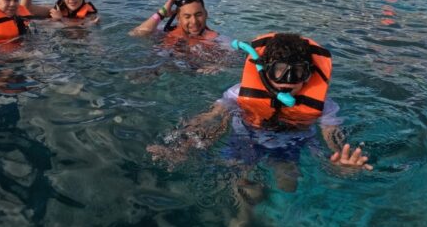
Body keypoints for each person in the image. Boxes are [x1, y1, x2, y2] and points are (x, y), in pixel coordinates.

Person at [148, 32, 371, 175]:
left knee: (288, 182)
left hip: (290, 144)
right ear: (264, 70)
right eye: (280, 71)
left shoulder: (324, 106)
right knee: (241, 180)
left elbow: (332, 134)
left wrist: (340, 157)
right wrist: (184, 143)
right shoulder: (238, 93)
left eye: (298, 73)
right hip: (246, 137)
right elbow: (212, 118)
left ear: (309, 75)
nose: (288, 82)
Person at [130, 0, 219, 42]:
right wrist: (162, 13)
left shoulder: (217, 39)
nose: (194, 21)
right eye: (187, 16)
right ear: (178, 18)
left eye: (198, 14)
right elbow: (135, 34)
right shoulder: (166, 30)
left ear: (206, 14)